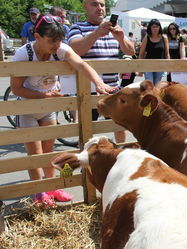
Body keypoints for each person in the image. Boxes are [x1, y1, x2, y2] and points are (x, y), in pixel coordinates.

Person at [11, 15, 114, 207]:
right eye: (52, 41)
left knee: (49, 150)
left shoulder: (59, 49)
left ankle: (52, 188)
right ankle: (39, 192)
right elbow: (16, 88)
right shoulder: (23, 54)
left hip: (49, 107)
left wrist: (98, 83)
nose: (56, 45)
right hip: (27, 108)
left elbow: (81, 64)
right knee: (35, 155)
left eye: (59, 40)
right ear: (37, 36)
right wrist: (44, 97)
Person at [68, 0, 135, 143]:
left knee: (119, 127)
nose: (100, 8)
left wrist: (121, 38)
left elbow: (131, 51)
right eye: (94, 4)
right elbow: (75, 50)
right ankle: (89, 163)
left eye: (102, 5)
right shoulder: (77, 27)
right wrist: (96, 33)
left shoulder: (113, 27)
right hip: (88, 89)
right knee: (87, 130)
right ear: (85, 7)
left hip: (113, 88)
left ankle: (120, 158)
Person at [139, 19, 170, 84]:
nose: (155, 28)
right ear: (150, 28)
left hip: (160, 65)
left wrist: (168, 66)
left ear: (159, 27)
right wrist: (140, 68)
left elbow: (167, 54)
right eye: (153, 27)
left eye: (157, 26)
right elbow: (141, 54)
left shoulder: (164, 38)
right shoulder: (147, 37)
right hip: (148, 65)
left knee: (157, 85)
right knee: (150, 84)